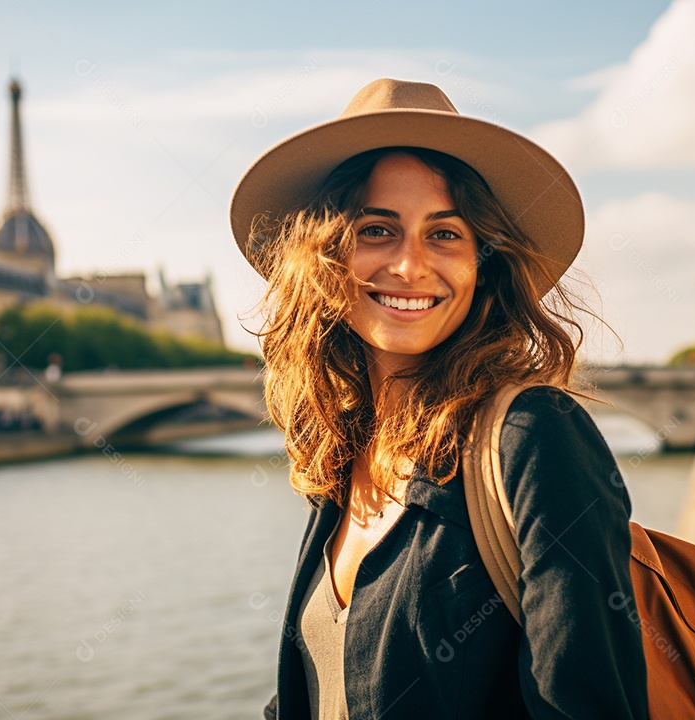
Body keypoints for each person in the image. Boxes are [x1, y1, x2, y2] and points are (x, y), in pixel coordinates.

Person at [232, 78, 647, 719]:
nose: (409, 265)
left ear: (485, 261)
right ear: (325, 258)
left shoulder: (534, 438)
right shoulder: (343, 455)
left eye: (446, 234)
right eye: (377, 229)